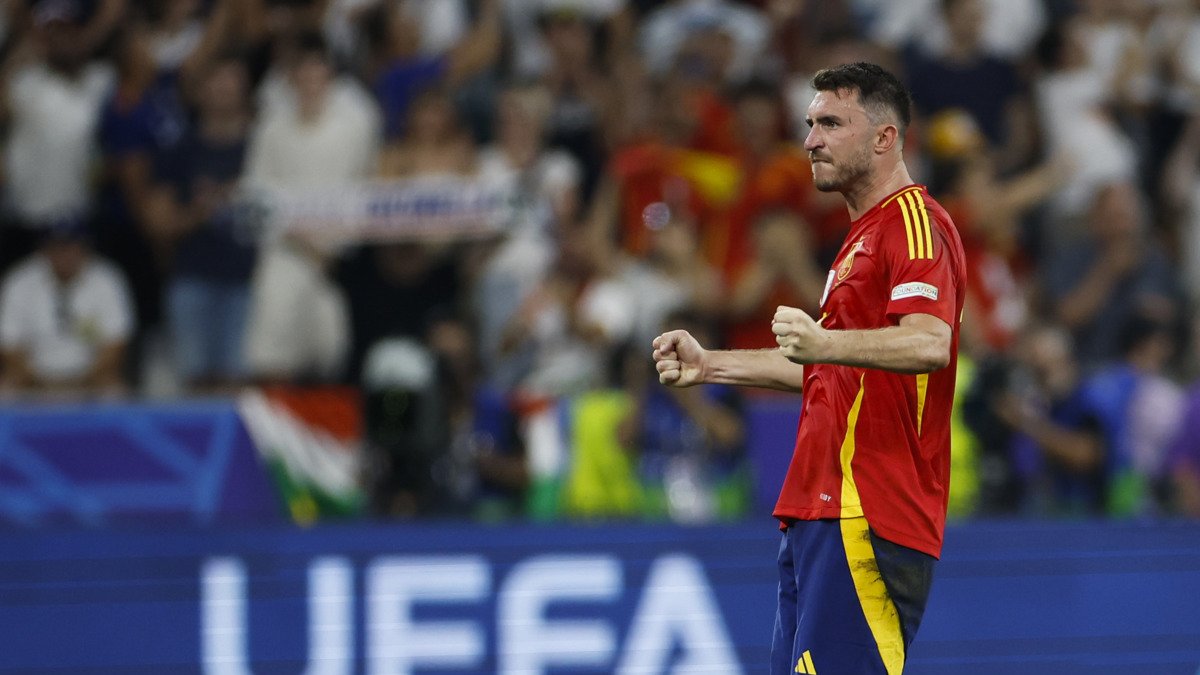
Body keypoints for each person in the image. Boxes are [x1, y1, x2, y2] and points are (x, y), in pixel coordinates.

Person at [652, 62, 966, 674]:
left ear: (884, 138)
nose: (810, 140)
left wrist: (824, 344)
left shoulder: (914, 224)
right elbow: (832, 367)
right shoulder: (859, 239)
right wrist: (710, 365)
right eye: (809, 123)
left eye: (830, 123)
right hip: (821, 510)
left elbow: (930, 344)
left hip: (869, 509)